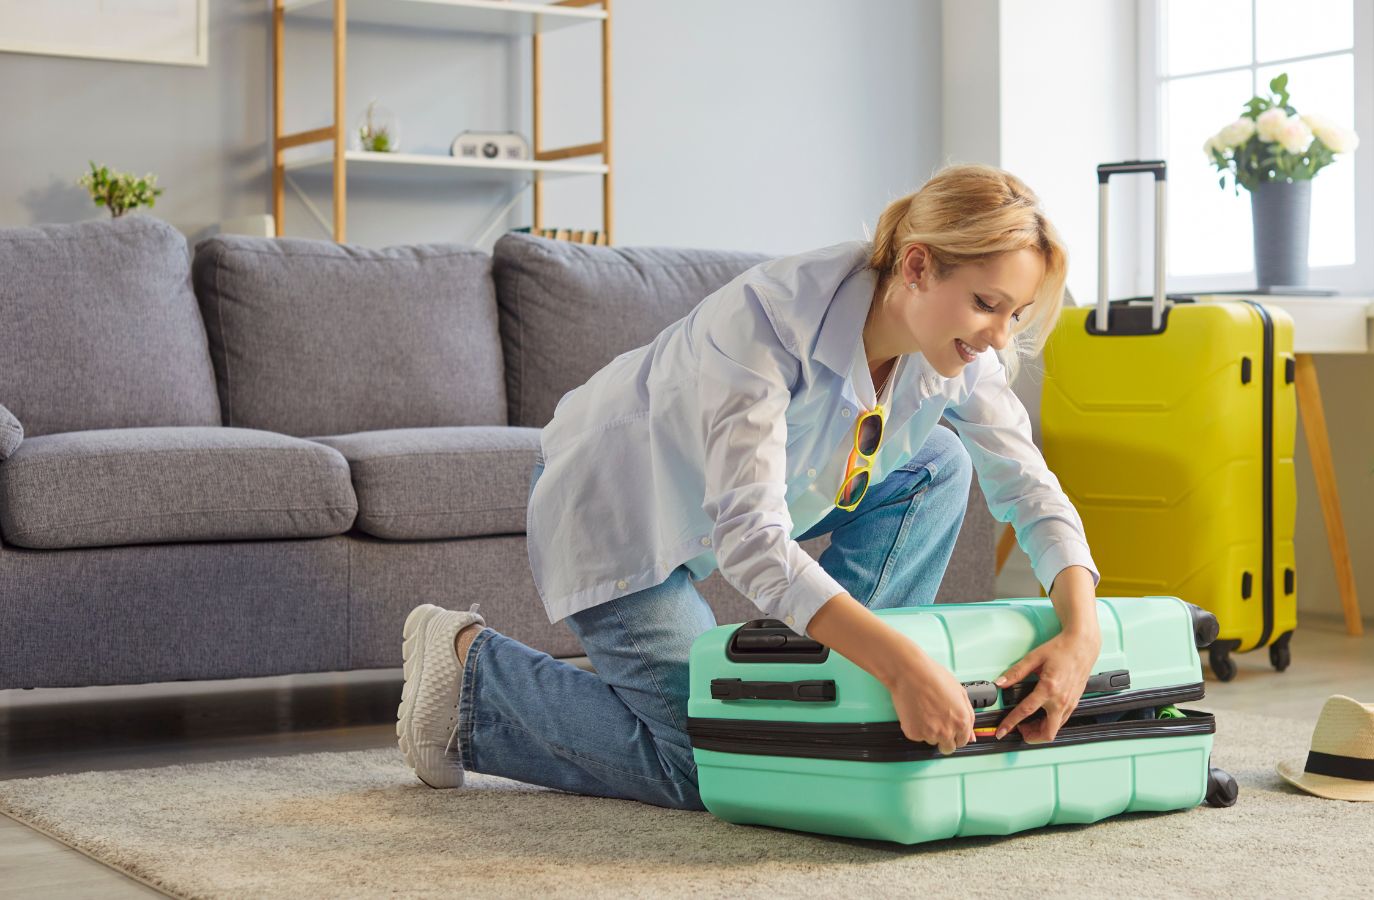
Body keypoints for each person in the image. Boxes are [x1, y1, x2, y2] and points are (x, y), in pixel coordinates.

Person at [395, 163, 1102, 809]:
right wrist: (907, 666)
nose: (1002, 337)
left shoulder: (959, 349)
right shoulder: (767, 323)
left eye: (1016, 314)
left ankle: (834, 700)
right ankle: (471, 679)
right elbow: (752, 539)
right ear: (917, 265)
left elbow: (1028, 485)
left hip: (717, 510)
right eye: (988, 304)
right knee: (721, 766)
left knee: (939, 465)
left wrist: (1081, 629)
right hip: (617, 510)